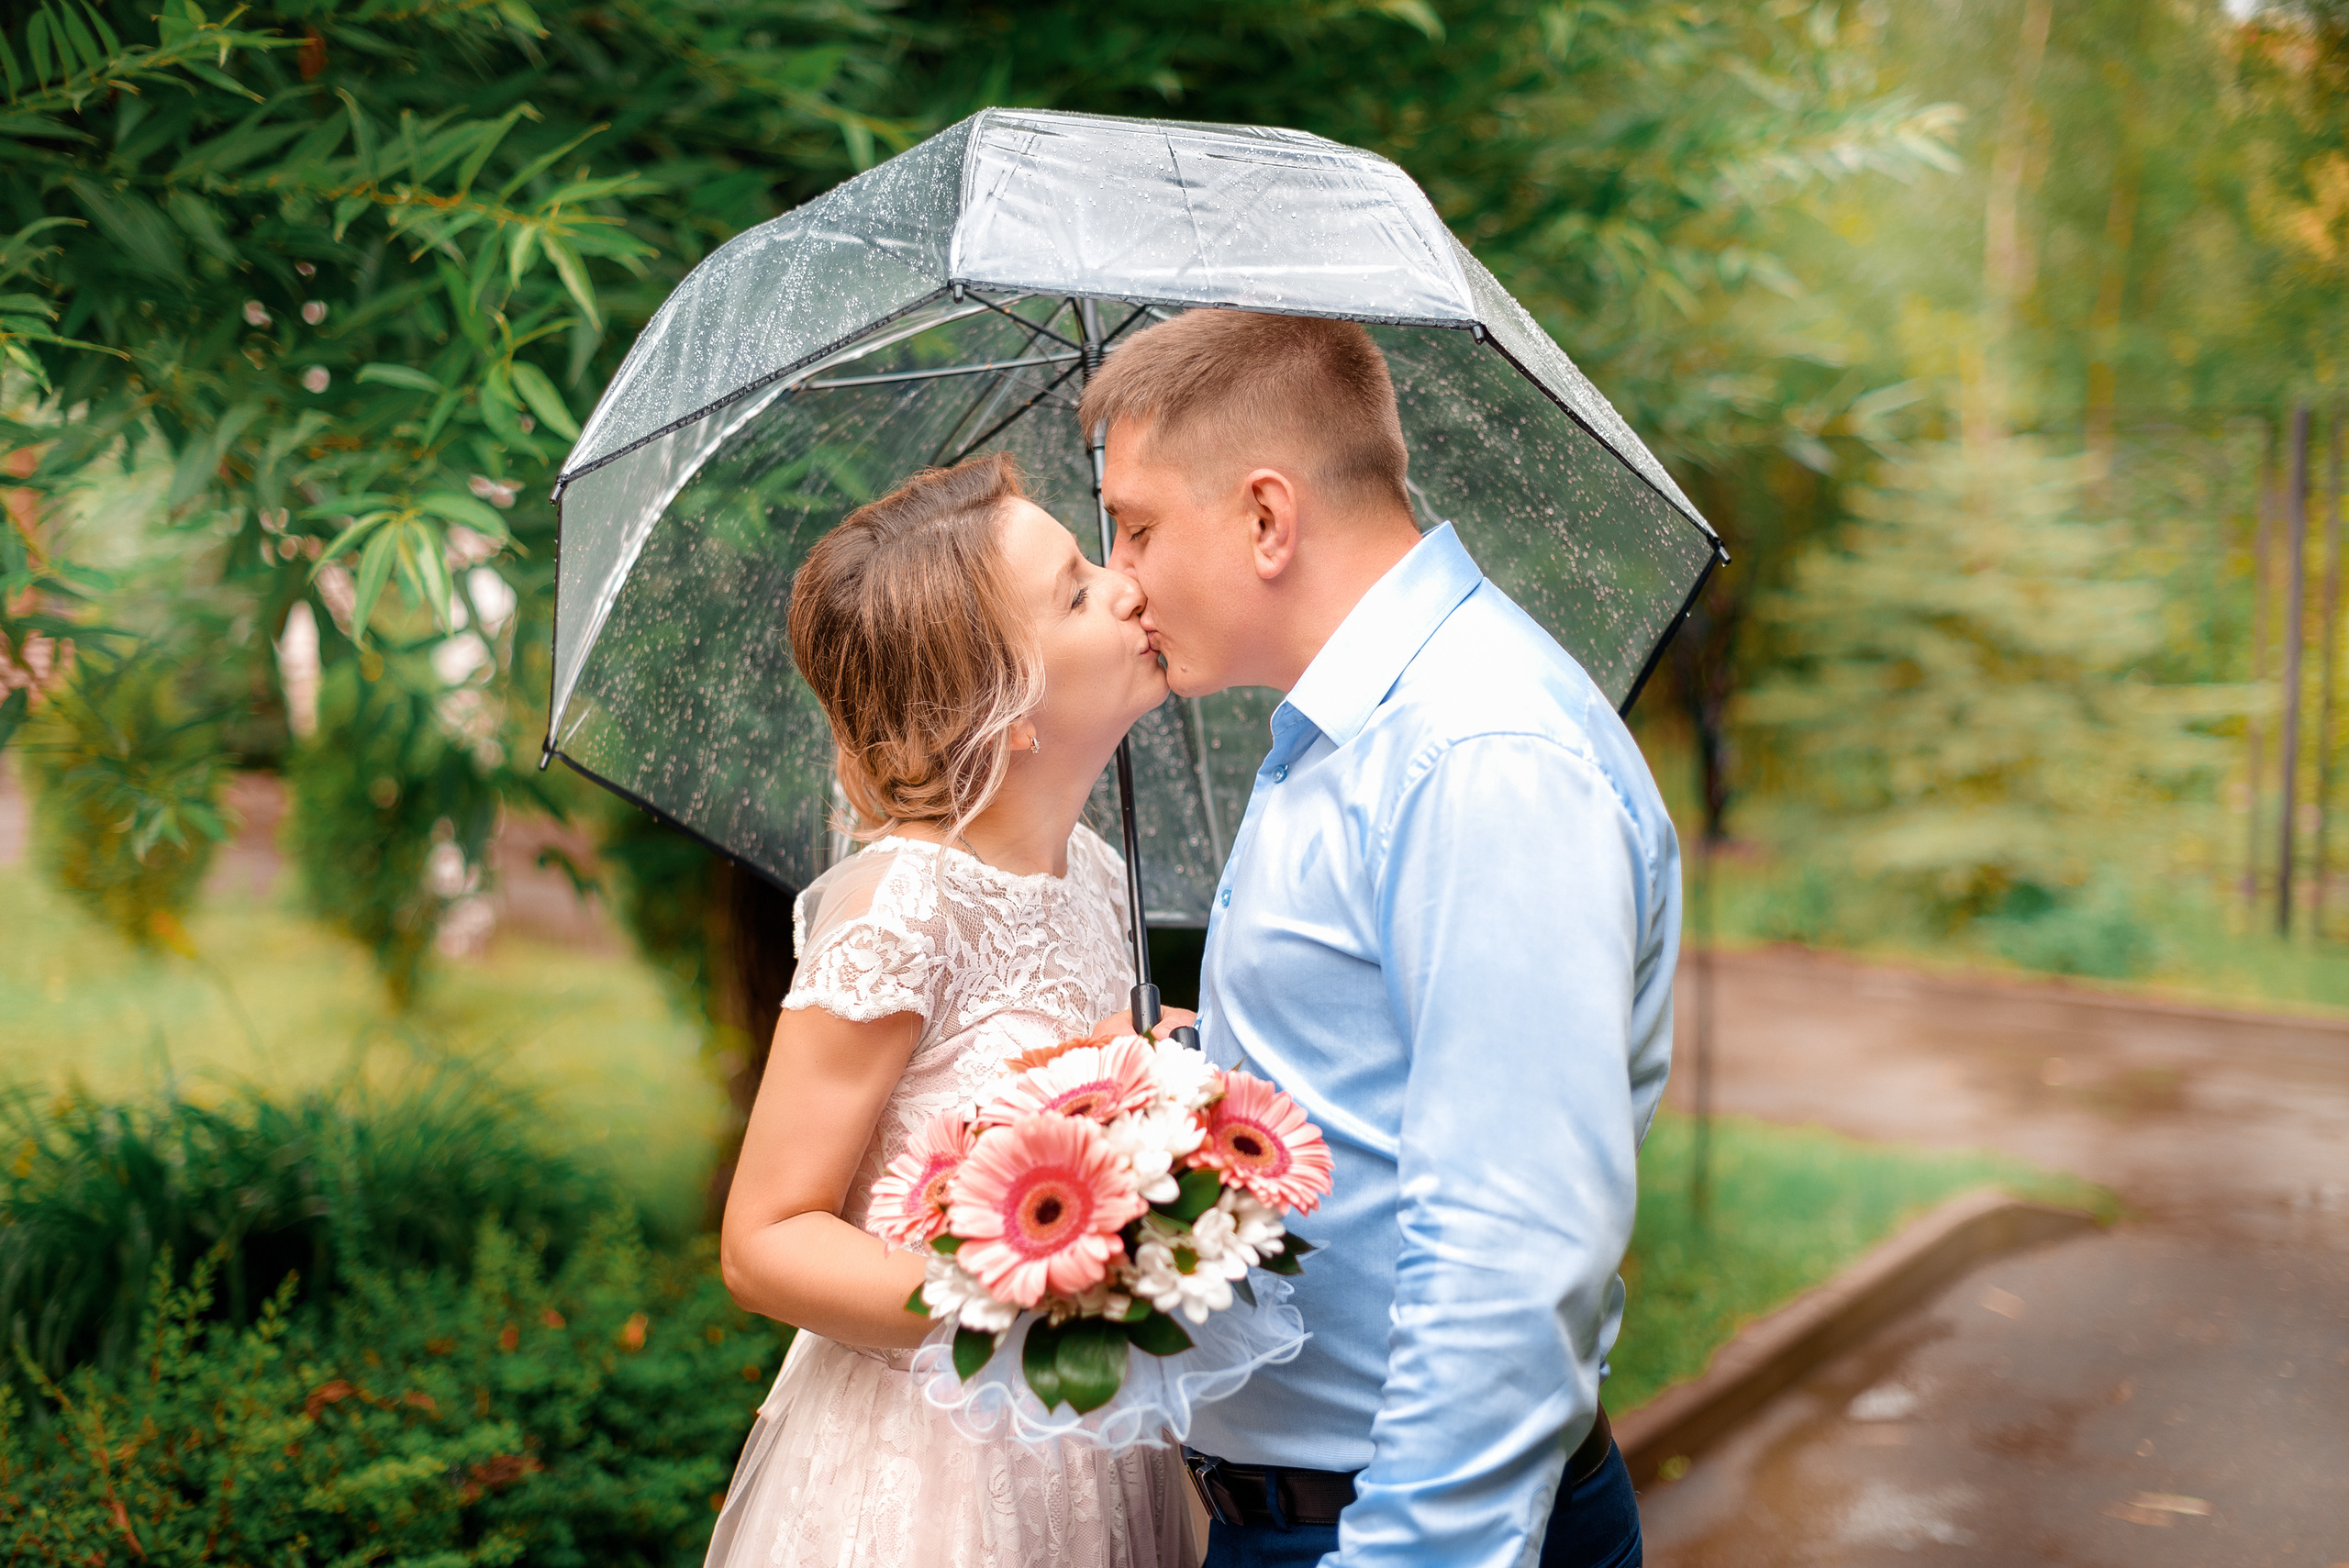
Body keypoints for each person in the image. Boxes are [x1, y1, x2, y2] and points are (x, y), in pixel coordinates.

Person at [1081, 311, 1679, 1568]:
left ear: (1264, 517)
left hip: (1397, 1532)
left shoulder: (1477, 755)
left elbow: (1509, 1253)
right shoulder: (1351, 740)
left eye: (1135, 525)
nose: (1120, 574)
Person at [706, 453, 1197, 1568]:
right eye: (1075, 589)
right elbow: (764, 1239)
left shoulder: (1097, 873)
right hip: (942, 1462)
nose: (1124, 584)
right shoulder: (906, 904)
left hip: (1094, 1439)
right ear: (998, 708)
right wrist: (1018, 1277)